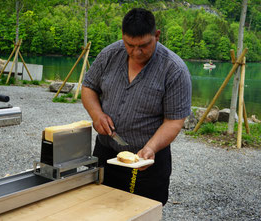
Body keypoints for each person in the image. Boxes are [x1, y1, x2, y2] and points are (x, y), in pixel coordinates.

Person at [81, 8, 191, 205]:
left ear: (156, 36)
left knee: (142, 212)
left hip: (148, 161)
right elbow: (89, 87)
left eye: (143, 45)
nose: (136, 52)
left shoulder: (174, 69)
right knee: (98, 208)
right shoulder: (110, 54)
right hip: (106, 153)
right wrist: (97, 115)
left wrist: (150, 148)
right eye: (129, 45)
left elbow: (174, 121)